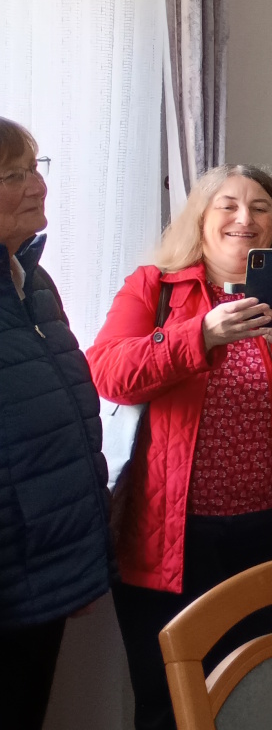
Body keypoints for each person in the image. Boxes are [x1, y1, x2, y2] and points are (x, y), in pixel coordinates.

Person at [88, 165, 272, 730]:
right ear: (201, 218)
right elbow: (108, 373)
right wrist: (199, 334)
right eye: (228, 205)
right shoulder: (155, 287)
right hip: (169, 539)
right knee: (168, 701)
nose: (245, 218)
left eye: (260, 207)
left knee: (265, 697)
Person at [0, 119, 115, 730]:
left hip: (40, 563)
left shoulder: (32, 280)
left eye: (35, 167)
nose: (37, 185)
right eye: (12, 175)